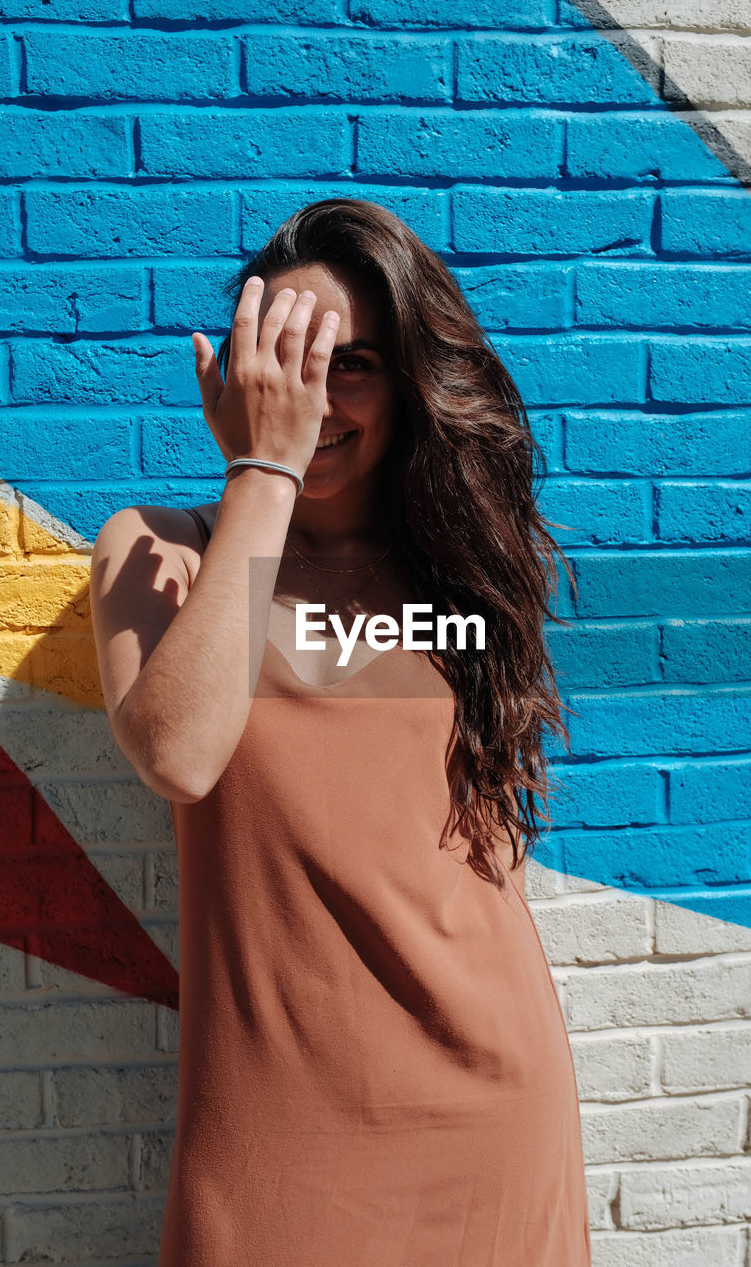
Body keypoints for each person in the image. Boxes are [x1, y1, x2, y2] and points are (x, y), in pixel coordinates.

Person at [89, 198, 592, 1266]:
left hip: (489, 1107)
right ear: (235, 371)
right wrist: (264, 468)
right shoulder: (162, 552)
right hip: (276, 1145)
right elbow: (177, 751)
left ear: (409, 381)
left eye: (348, 364)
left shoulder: (453, 576)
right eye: (284, 360)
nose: (312, 397)